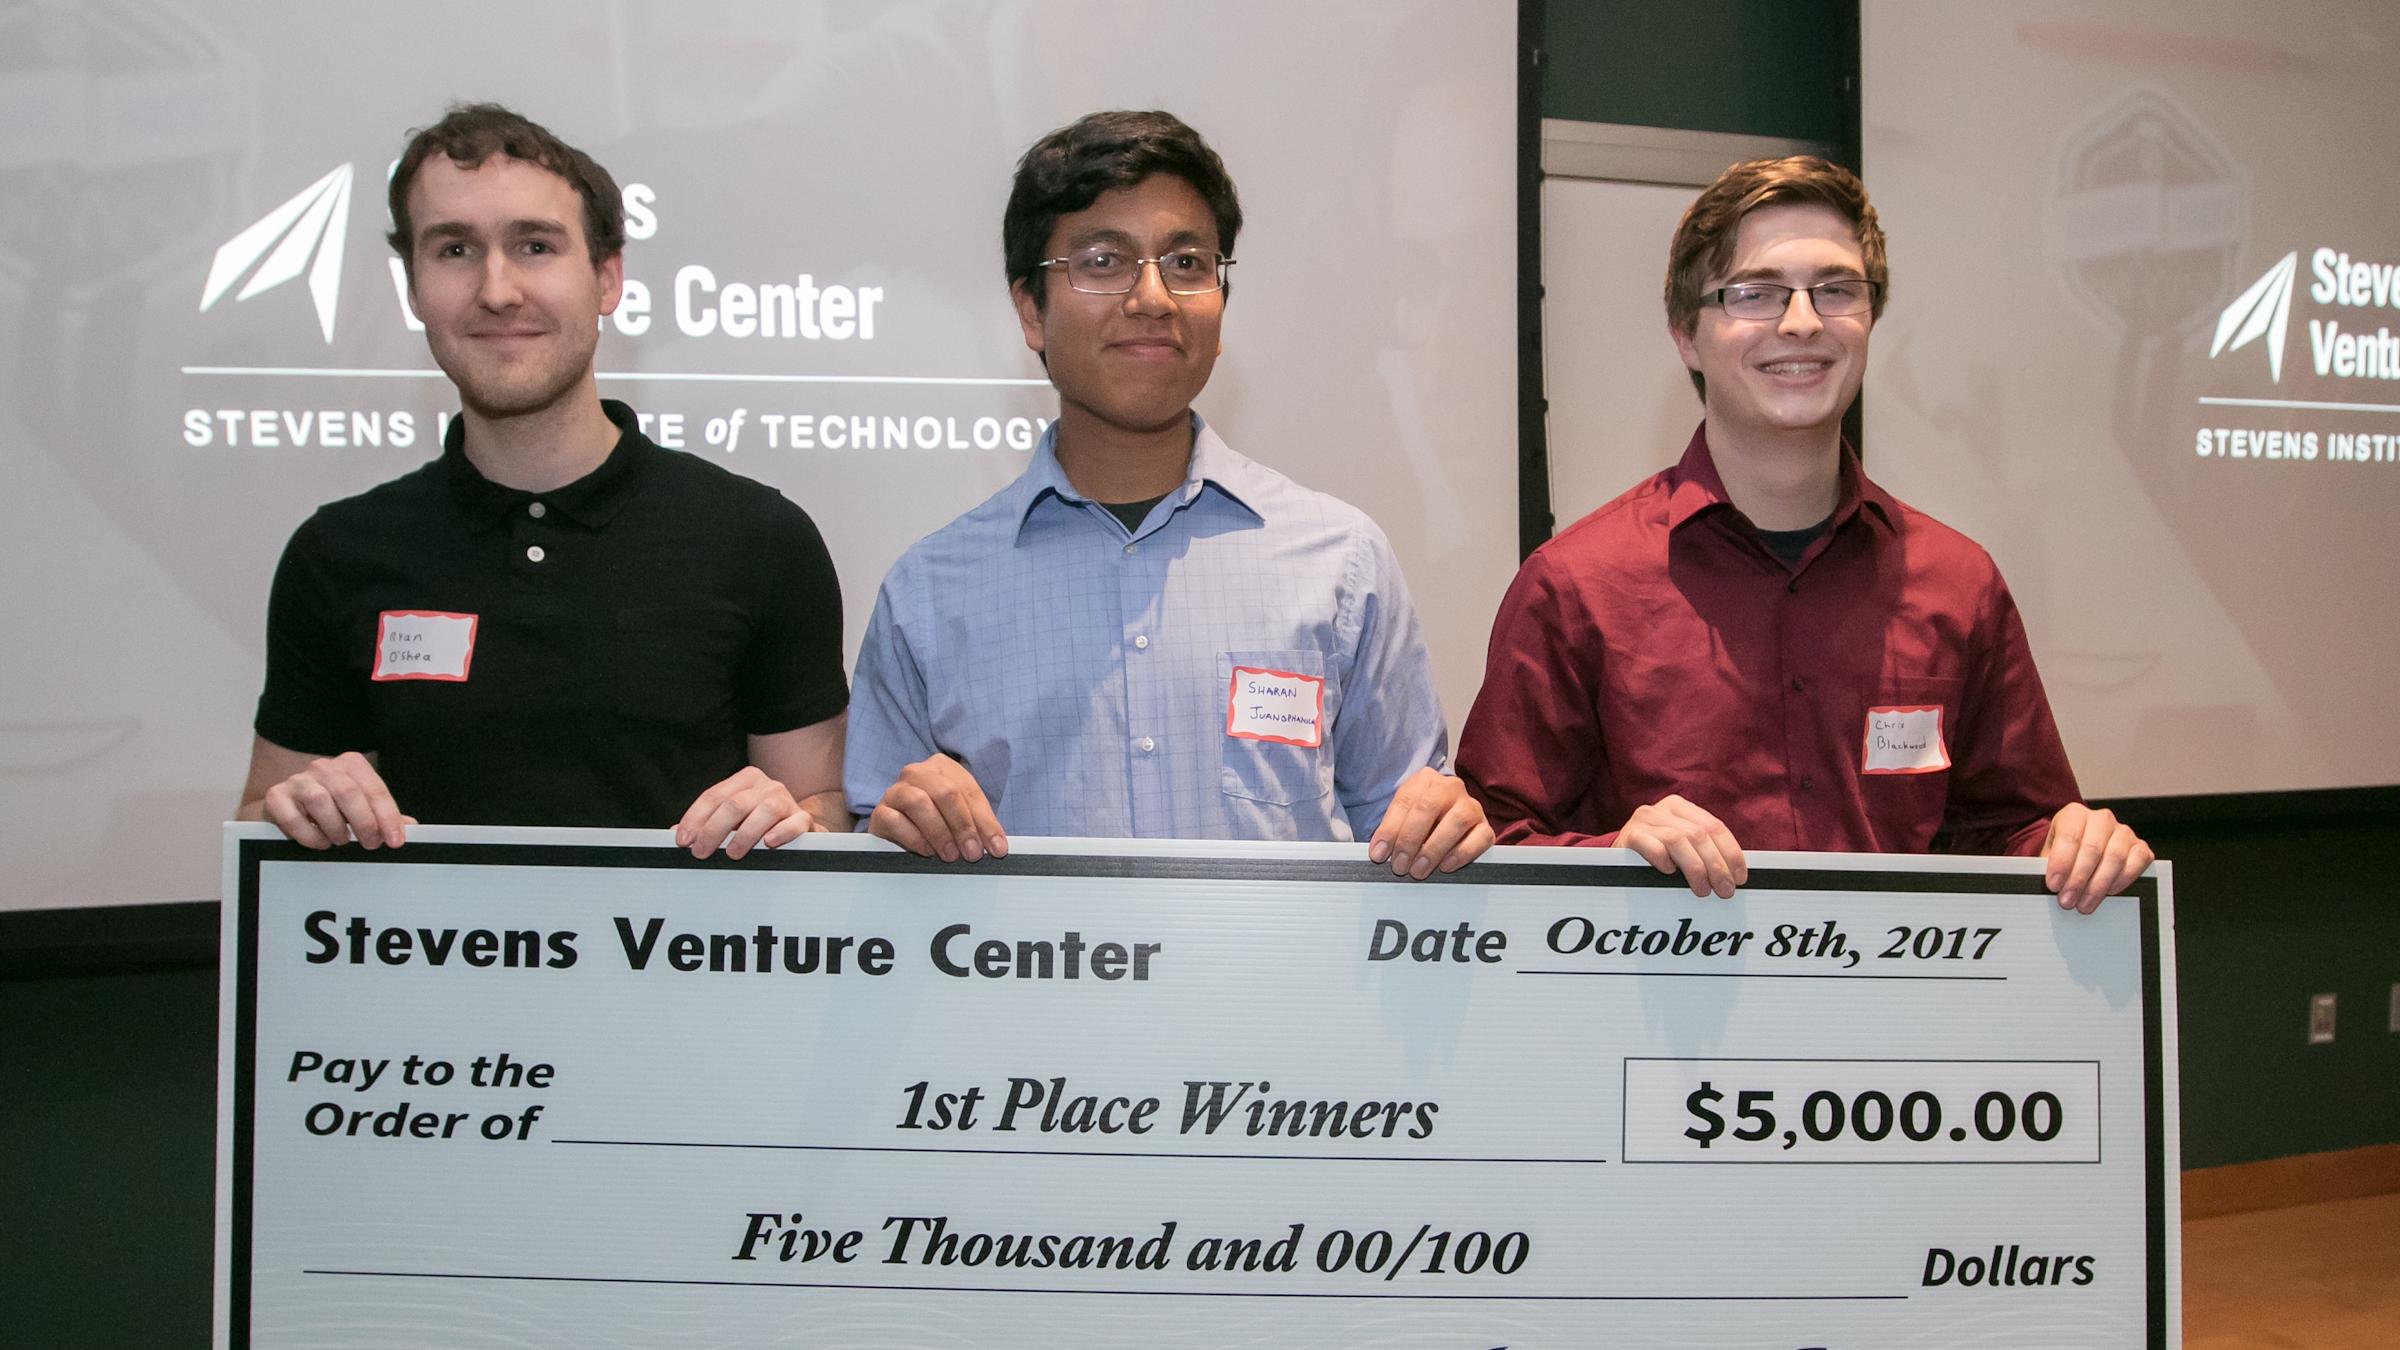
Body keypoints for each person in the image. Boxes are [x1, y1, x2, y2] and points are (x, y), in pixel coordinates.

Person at [1456, 156, 2150, 913]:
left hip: (1895, 1021)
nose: (1802, 321)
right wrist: (1612, 859)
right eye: (1754, 293)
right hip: (1660, 1025)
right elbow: (1493, 844)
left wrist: (2073, 844)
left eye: (1836, 289)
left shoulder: (1959, 584)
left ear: (1871, 318)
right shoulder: (1578, 585)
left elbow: (2014, 828)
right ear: (1687, 336)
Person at [845, 110, 1487, 878]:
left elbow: (1407, 829)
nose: (1154, 297)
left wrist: (1443, 828)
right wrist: (893, 828)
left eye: (1186, 263)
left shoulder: (1341, 562)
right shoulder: (929, 593)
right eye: (1104, 261)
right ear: (1029, 310)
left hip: (1281, 1001)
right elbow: (870, 888)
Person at [238, 103, 847, 858]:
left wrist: (795, 817)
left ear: (606, 278)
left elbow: (823, 809)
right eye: (455, 249)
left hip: (683, 975)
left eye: (534, 245)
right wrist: (292, 811)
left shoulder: (758, 540)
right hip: (421, 975)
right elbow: (265, 816)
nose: (497, 290)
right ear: (413, 287)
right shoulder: (336, 553)